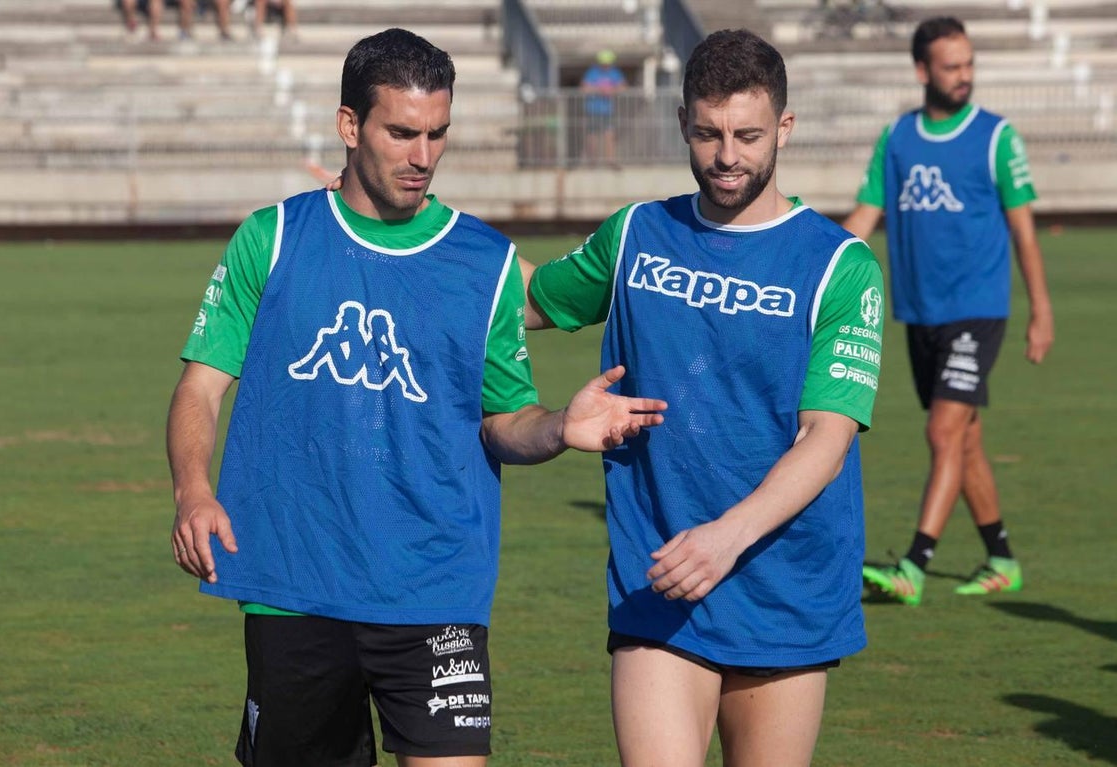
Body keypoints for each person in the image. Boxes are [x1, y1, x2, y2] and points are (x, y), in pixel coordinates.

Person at [166, 27, 666, 767]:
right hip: (296, 584)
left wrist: (560, 425)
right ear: (349, 126)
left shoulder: (485, 261)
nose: (423, 156)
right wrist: (193, 491)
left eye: (437, 134)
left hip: (437, 587)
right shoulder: (271, 240)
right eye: (402, 132)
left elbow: (503, 423)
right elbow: (200, 388)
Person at [521, 28, 885, 767]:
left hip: (784, 584)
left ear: (784, 126)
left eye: (748, 135)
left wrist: (727, 536)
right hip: (659, 580)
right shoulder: (636, 236)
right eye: (706, 133)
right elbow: (526, 299)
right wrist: (417, 226)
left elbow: (827, 436)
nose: (726, 156)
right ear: (683, 122)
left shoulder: (839, 267)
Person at [842, 16, 1054, 606]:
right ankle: (1002, 556)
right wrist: (814, 263)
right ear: (922, 71)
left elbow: (1025, 233)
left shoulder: (996, 138)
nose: (964, 76)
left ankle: (913, 565)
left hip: (977, 311)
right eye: (951, 66)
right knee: (964, 442)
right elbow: (864, 217)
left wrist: (1041, 310)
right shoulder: (897, 139)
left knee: (942, 432)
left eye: (969, 64)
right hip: (920, 315)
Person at [580, 49, 626, 166]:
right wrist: (600, 90)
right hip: (592, 110)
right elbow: (584, 88)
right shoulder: (592, 72)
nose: (606, 66)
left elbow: (623, 87)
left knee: (609, 135)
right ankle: (592, 161)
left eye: (608, 63)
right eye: (604, 63)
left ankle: (610, 161)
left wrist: (612, 90)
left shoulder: (614, 72)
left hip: (607, 111)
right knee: (592, 136)